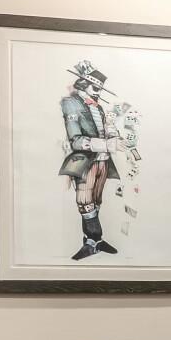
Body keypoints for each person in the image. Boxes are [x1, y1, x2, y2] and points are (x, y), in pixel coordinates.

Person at [58, 60, 121, 260]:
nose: (97, 92)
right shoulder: (71, 103)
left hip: (103, 161)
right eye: (95, 87)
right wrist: (105, 145)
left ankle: (95, 242)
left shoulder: (100, 107)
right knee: (85, 201)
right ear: (84, 84)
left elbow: (107, 132)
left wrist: (112, 133)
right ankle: (94, 239)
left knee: (96, 201)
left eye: (100, 89)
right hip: (85, 161)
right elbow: (75, 140)